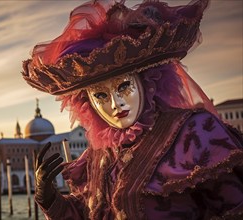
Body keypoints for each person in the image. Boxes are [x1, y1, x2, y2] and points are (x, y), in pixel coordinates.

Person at [22, 0, 243, 219]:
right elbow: (90, 213)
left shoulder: (195, 132)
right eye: (101, 95)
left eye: (124, 86)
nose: (116, 103)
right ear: (88, 103)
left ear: (147, 82)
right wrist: (50, 199)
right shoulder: (101, 153)